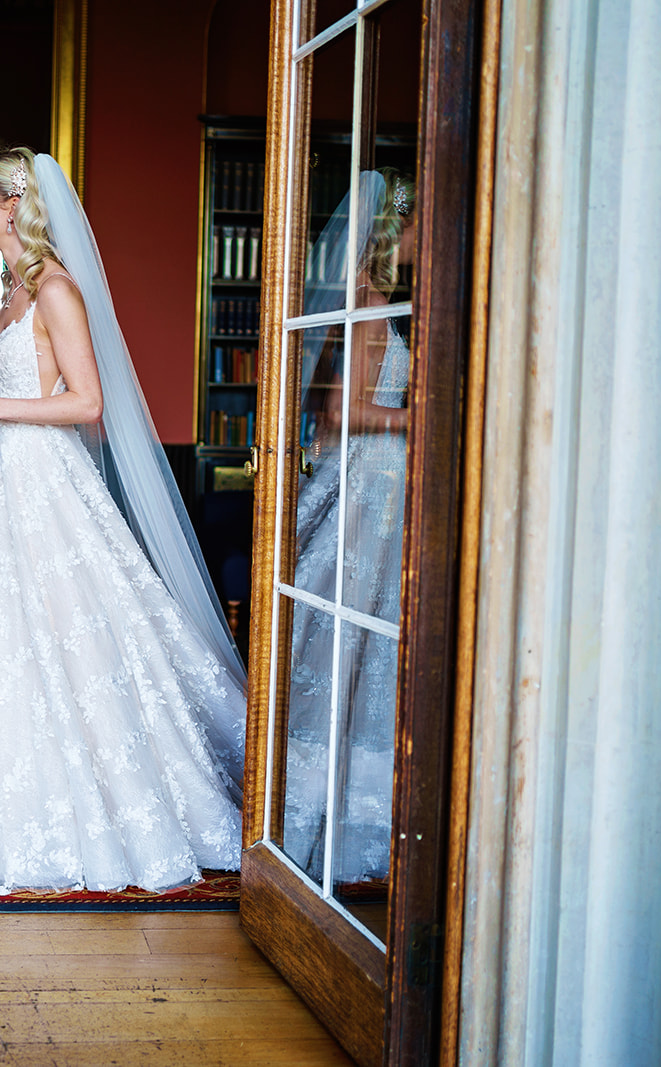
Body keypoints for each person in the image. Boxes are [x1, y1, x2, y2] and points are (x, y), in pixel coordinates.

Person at [0, 148, 246, 893]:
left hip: (41, 482)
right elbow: (10, 373)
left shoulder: (58, 289)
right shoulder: (11, 290)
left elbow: (88, 404)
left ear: (12, 207)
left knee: (66, 633)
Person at [282, 168, 414, 888]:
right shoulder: (367, 312)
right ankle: (314, 809)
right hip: (367, 485)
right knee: (347, 634)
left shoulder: (380, 307)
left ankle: (352, 809)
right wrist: (415, 414)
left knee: (368, 638)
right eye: (415, 226)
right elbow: (341, 413)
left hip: (382, 491)